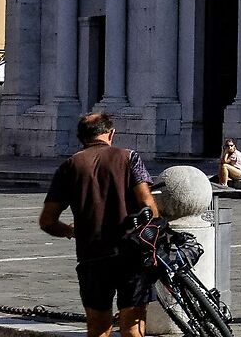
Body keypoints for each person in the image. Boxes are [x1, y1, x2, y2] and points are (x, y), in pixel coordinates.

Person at [40, 111, 160, 337]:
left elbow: (47, 221)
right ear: (111, 133)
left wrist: (71, 231)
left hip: (92, 256)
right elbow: (148, 205)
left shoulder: (69, 166)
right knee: (133, 328)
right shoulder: (128, 157)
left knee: (98, 328)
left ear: (81, 137)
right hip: (131, 254)